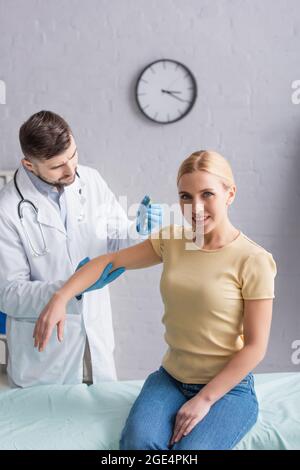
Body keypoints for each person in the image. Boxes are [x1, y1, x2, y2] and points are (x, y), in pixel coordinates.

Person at [33, 150, 277, 450]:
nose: (195, 207)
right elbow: (110, 261)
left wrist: (204, 400)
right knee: (139, 444)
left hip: (228, 390)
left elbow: (256, 347)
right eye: (186, 196)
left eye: (207, 194)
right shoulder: (172, 240)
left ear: (230, 194)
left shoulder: (254, 259)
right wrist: (61, 296)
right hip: (171, 379)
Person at [0, 110, 162, 388]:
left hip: (94, 340)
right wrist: (71, 288)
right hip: (46, 356)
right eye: (56, 166)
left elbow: (115, 241)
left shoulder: (91, 181)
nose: (71, 169)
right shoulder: (7, 210)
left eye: (73, 155)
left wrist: (138, 230)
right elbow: (8, 294)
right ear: (29, 165)